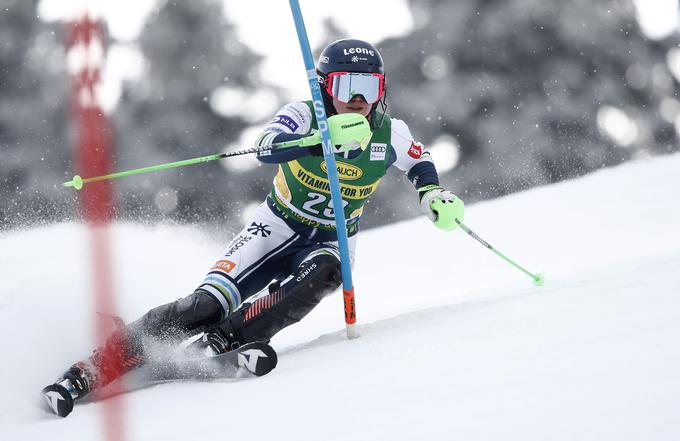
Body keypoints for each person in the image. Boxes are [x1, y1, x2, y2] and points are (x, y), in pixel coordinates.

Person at [42, 38, 465, 415]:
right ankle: (94, 366)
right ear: (323, 87)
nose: (357, 99)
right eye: (344, 86)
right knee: (205, 305)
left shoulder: (389, 133)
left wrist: (431, 194)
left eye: (368, 88)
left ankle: (225, 341)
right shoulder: (303, 114)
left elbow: (419, 159)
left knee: (330, 271)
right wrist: (317, 141)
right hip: (275, 227)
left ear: (382, 91)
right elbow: (266, 148)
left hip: (332, 235)